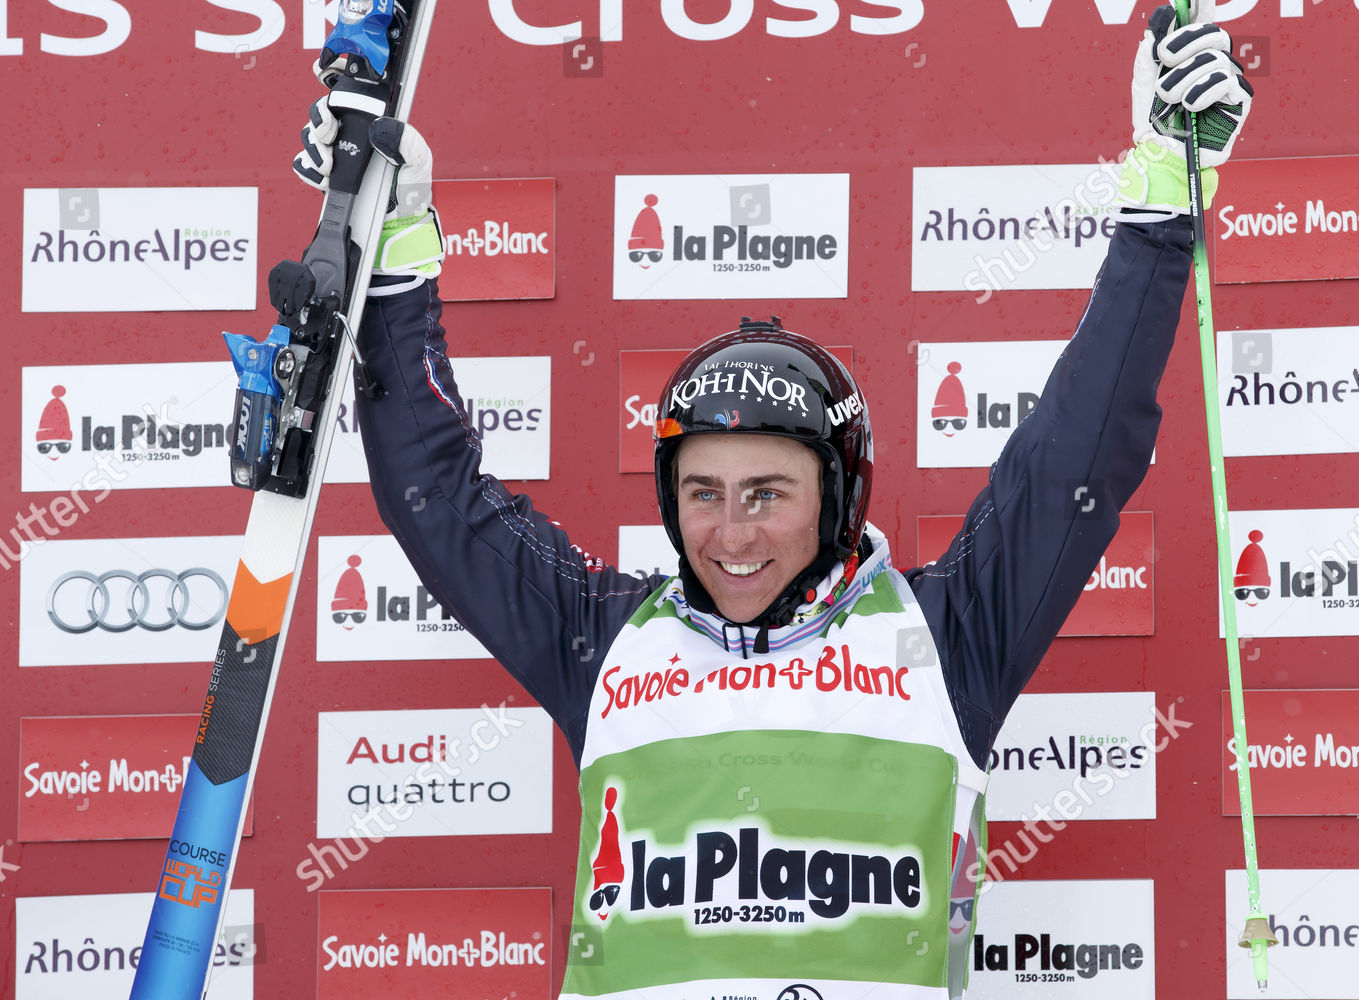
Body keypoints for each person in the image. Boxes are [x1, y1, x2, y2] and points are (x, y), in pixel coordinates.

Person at [296, 4, 1250, 997]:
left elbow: (1077, 457)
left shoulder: (947, 635)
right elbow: (434, 495)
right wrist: (396, 242)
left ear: (836, 498)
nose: (732, 531)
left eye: (769, 492)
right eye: (701, 492)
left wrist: (1160, 202)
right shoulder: (605, 639)